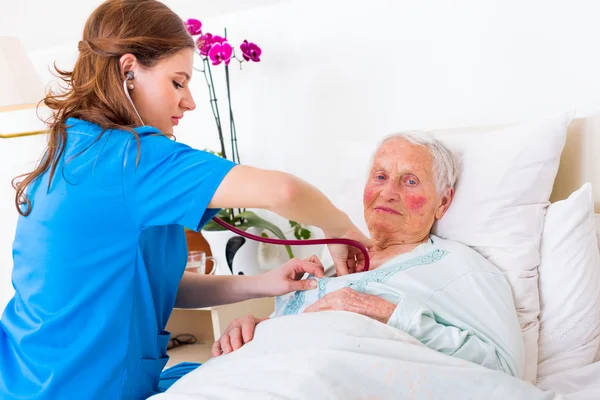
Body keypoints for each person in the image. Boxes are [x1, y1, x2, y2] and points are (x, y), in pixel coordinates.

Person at [0, 1, 373, 399]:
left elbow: (150, 285)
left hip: (26, 376)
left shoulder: (72, 147)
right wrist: (343, 230)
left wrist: (263, 284)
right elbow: (285, 192)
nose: (189, 101)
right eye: (177, 82)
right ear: (129, 71)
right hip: (78, 387)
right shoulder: (131, 157)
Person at [211, 133, 525, 378]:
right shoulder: (333, 261)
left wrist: (385, 311)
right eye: (379, 176)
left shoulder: (461, 267)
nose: (388, 191)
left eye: (410, 180)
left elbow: (504, 369)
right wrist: (256, 326)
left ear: (443, 202)